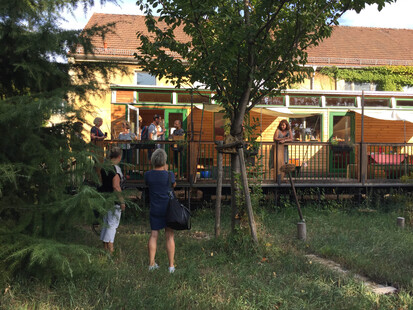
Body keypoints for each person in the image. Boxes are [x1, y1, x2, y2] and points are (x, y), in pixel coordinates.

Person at [144, 149, 176, 273]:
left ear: (153, 160)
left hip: (155, 208)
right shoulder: (169, 174)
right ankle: (171, 266)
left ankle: (151, 264)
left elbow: (147, 184)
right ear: (164, 161)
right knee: (169, 236)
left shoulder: (148, 175)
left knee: (154, 235)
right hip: (168, 209)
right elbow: (173, 185)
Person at [99, 147, 125, 254]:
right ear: (119, 157)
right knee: (112, 225)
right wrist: (122, 201)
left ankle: (104, 246)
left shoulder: (103, 168)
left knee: (106, 222)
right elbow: (116, 186)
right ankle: (110, 248)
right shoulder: (116, 169)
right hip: (114, 201)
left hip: (104, 198)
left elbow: (101, 181)